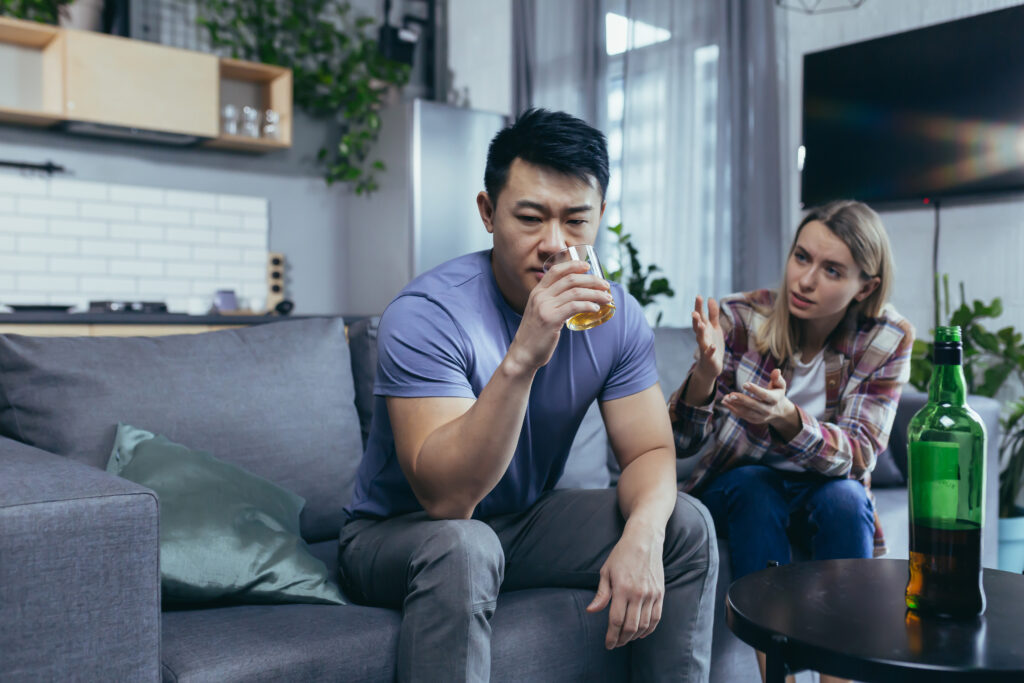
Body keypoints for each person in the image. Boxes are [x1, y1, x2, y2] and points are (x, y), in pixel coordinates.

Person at [340, 108, 718, 682]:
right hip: (401, 536)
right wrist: (524, 355)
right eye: (530, 217)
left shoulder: (614, 317)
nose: (554, 245)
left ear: (601, 220)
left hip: (518, 525)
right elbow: (447, 502)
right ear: (488, 213)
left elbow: (648, 452)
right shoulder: (428, 315)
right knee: (465, 548)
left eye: (575, 221)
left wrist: (642, 537)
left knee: (683, 525)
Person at [670, 199, 913, 683]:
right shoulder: (740, 317)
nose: (804, 280)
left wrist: (788, 419)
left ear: (866, 286)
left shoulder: (888, 336)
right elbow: (679, 440)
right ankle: (775, 677)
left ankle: (837, 676)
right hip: (736, 489)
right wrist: (704, 376)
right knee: (756, 486)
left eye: (831, 270)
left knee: (845, 498)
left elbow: (860, 452)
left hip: (824, 490)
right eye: (801, 257)